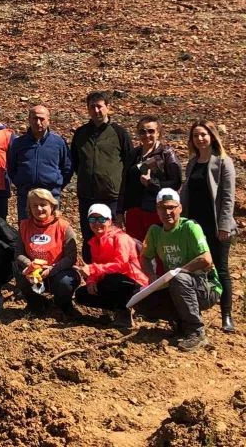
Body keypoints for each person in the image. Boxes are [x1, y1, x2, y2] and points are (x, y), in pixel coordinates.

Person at [134, 189, 222, 352]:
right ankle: (181, 323)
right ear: (157, 209)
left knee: (179, 278)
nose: (167, 212)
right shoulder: (155, 231)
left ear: (180, 208)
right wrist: (152, 276)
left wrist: (179, 271)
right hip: (176, 285)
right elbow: (145, 257)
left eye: (171, 207)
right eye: (162, 208)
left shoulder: (190, 227)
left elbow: (206, 259)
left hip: (206, 288)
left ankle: (196, 331)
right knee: (140, 299)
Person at [180, 121, 237, 332]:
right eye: (196, 135)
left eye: (203, 134)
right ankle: (194, 315)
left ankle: (226, 316)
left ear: (212, 136)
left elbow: (228, 198)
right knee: (196, 269)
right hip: (195, 226)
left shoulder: (223, 162)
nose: (200, 139)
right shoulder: (192, 163)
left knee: (221, 269)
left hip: (216, 226)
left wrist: (224, 226)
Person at [70, 91, 134, 262]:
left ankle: (111, 270)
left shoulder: (119, 133)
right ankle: (91, 270)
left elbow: (129, 162)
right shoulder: (81, 133)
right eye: (92, 107)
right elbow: (75, 161)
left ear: (108, 107)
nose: (96, 110)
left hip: (110, 196)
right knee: (89, 236)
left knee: (111, 236)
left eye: (99, 106)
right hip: (87, 196)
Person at [74, 204, 149, 328]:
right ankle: (117, 309)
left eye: (101, 219)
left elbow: (122, 265)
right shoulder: (95, 241)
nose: (97, 223)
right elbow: (98, 265)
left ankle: (125, 312)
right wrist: (92, 280)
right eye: (92, 219)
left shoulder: (121, 238)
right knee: (81, 295)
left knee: (112, 279)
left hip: (133, 283)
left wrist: (92, 269)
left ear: (109, 221)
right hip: (114, 281)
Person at [14, 189, 80, 315]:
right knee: (20, 272)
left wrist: (51, 269)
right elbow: (18, 253)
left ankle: (62, 304)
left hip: (59, 271)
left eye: (43, 205)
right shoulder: (24, 226)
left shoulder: (64, 227)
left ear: (52, 206)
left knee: (65, 283)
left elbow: (71, 257)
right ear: (29, 208)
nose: (39, 209)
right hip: (35, 273)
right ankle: (37, 303)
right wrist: (29, 265)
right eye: (34, 205)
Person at [116, 116, 182, 242]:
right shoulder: (133, 154)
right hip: (134, 211)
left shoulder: (166, 153)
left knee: (157, 247)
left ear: (158, 133)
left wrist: (152, 184)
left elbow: (176, 183)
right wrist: (119, 211)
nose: (147, 135)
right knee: (136, 247)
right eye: (142, 131)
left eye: (151, 131)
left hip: (157, 211)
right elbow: (124, 183)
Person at [8, 105, 73, 222]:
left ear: (48, 120)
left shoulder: (58, 142)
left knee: (51, 229)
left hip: (51, 196)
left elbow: (67, 168)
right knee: (26, 228)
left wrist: (56, 184)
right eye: (35, 118)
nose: (38, 122)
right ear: (29, 119)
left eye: (41, 119)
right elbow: (11, 167)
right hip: (26, 197)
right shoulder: (18, 143)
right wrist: (21, 183)